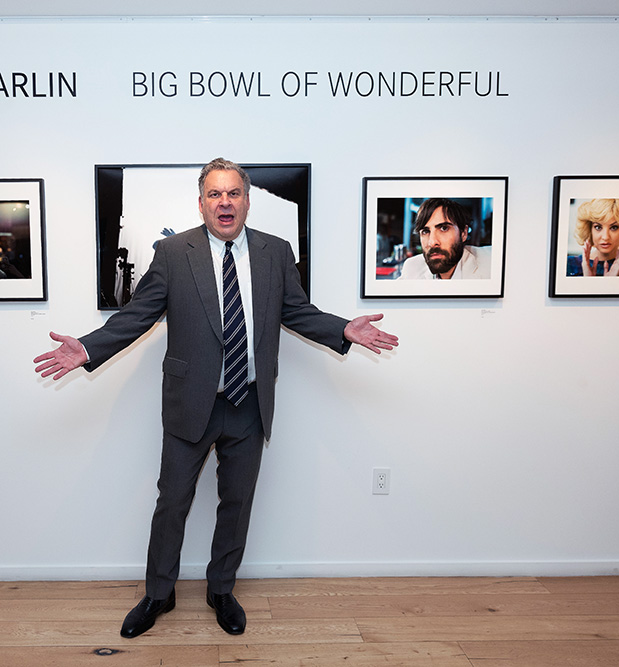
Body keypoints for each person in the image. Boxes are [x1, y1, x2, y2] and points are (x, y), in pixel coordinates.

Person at [33, 158, 399, 638]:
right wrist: (87, 346)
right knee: (173, 502)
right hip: (190, 402)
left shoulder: (275, 252)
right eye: (214, 194)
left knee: (237, 502)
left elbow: (296, 311)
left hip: (248, 402)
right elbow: (137, 315)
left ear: (247, 200)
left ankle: (220, 590)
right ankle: (158, 594)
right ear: (201, 202)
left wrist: (342, 330)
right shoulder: (171, 252)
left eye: (233, 193)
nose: (224, 202)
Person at [398, 198, 492, 280]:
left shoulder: (492, 264)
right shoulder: (411, 269)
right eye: (425, 232)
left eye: (444, 228)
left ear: (463, 233)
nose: (432, 242)